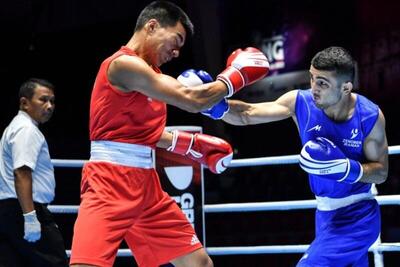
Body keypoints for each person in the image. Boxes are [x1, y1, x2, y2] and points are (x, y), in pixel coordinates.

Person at [69, 1, 269, 267]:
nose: (176, 52)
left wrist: (187, 143)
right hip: (109, 182)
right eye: (176, 40)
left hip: (147, 185)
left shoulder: (152, 76)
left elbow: (141, 133)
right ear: (152, 26)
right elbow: (191, 99)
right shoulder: (123, 65)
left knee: (199, 263)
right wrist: (235, 77)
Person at [205, 46, 389, 266]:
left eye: (323, 83)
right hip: (324, 215)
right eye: (312, 78)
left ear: (346, 87)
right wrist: (211, 104)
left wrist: (346, 169)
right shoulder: (301, 103)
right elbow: (247, 114)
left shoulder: (369, 116)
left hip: (358, 216)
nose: (314, 88)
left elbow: (381, 173)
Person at [0, 78, 68, 267]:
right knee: (55, 262)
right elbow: (22, 172)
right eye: (43, 100)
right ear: (24, 103)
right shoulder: (26, 130)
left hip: (11, 210)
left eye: (52, 101)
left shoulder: (16, 127)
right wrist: (30, 217)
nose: (49, 106)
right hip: (25, 209)